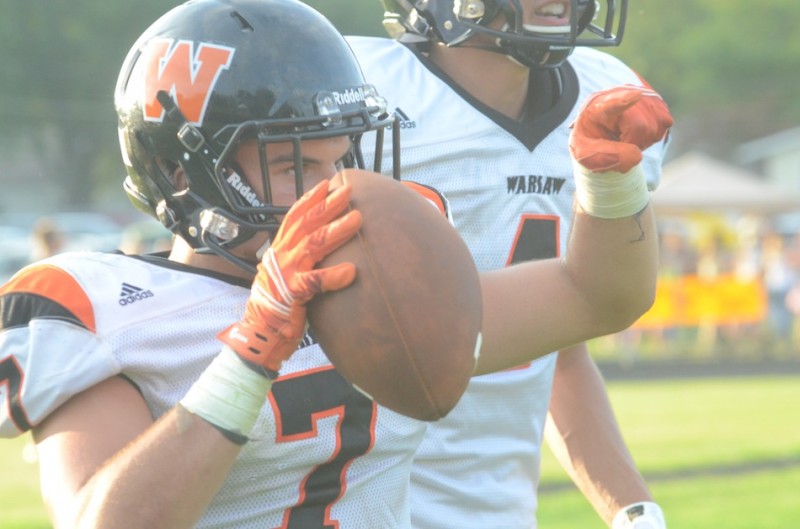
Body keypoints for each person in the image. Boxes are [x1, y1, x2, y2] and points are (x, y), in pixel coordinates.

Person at [0, 0, 670, 527]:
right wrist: (250, 353)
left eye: (342, 157)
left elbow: (595, 296)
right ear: (183, 170)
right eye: (293, 165)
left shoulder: (375, 294)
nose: (330, 188)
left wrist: (607, 184)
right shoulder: (99, 307)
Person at [345, 1, 671, 527]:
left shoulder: (605, 100)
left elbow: (559, 356)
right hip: (357, 502)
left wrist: (633, 511)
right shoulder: (354, 90)